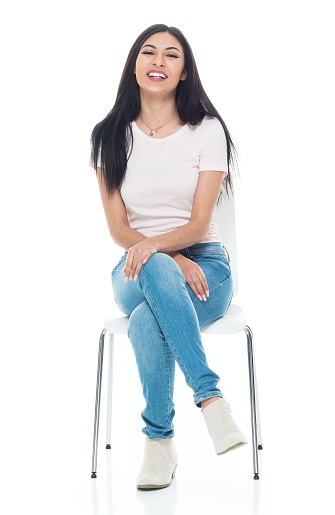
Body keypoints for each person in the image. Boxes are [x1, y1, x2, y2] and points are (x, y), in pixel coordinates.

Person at [89, 23, 247, 490]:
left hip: (206, 265)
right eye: (149, 52)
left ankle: (158, 444)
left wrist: (170, 253)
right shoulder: (108, 135)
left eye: (171, 55)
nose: (158, 61)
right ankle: (211, 399)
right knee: (155, 269)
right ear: (135, 64)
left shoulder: (207, 130)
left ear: (184, 72)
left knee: (145, 321)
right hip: (136, 268)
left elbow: (199, 225)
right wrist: (166, 259)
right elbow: (119, 229)